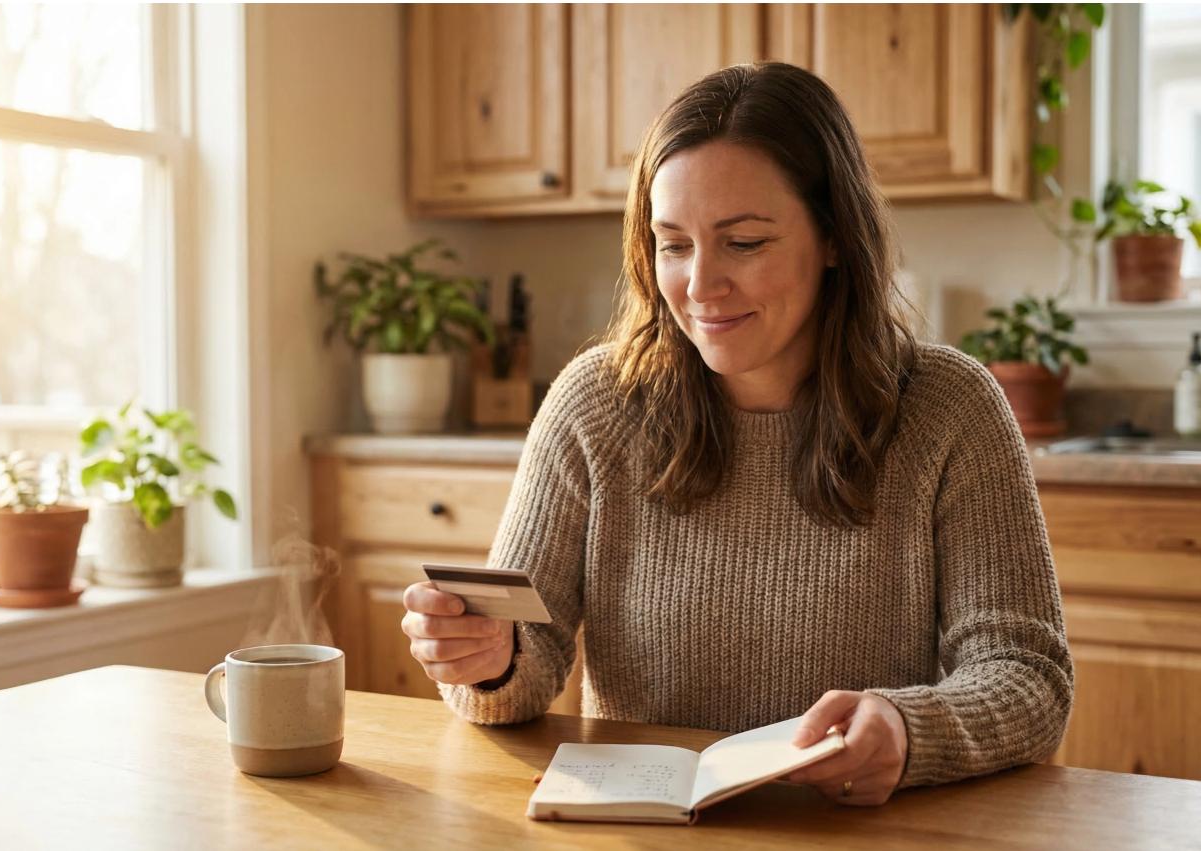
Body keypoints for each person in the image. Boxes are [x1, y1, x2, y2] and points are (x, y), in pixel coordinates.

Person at [401, 62, 1074, 807]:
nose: (699, 285)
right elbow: (522, 669)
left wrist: (910, 727)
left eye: (744, 242)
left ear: (832, 239)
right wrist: (487, 659)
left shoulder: (949, 408)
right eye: (673, 244)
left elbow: (1026, 675)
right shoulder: (594, 403)